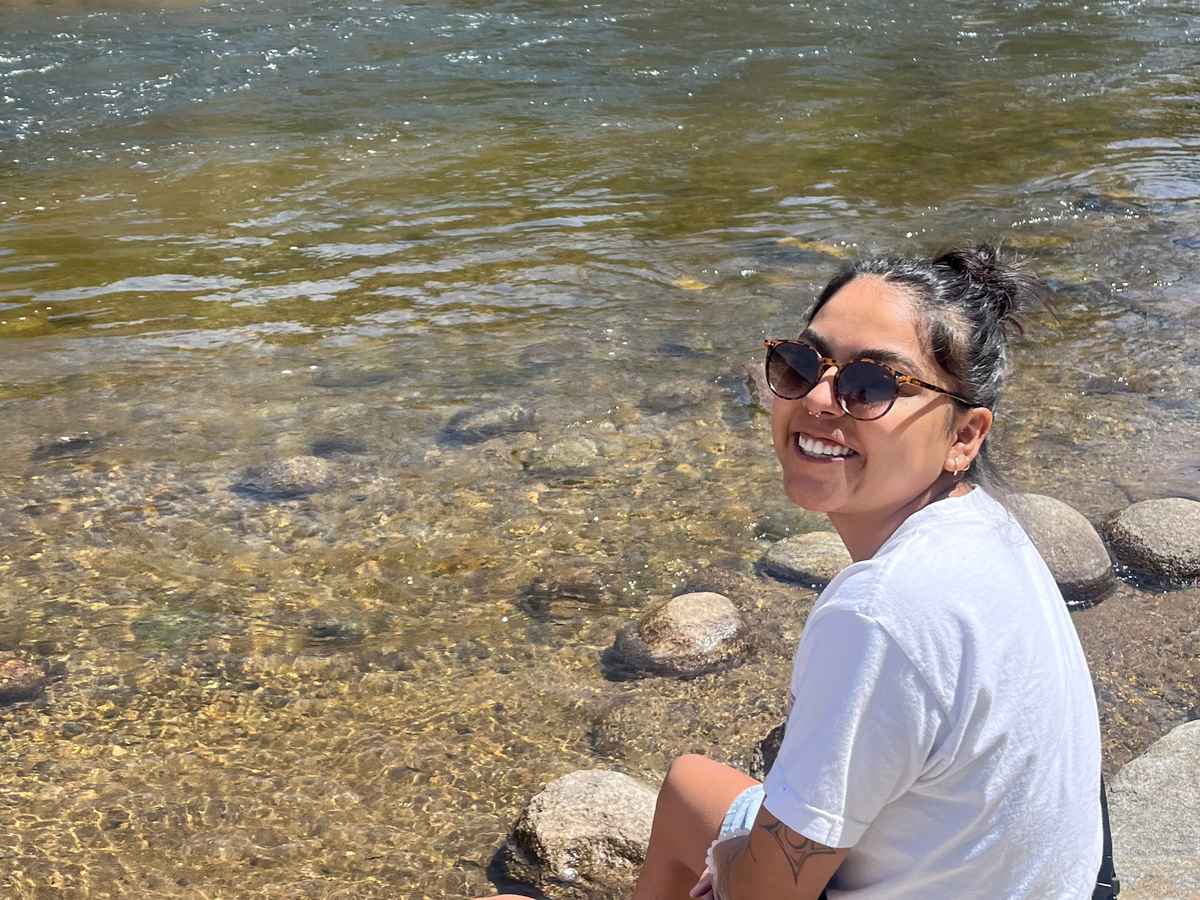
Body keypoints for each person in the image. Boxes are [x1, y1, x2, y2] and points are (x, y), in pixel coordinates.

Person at [480, 245, 1103, 900]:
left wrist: (731, 865)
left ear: (964, 436)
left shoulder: (882, 610)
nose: (820, 399)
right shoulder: (989, 531)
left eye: (872, 385)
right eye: (803, 364)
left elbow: (765, 894)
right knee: (690, 786)